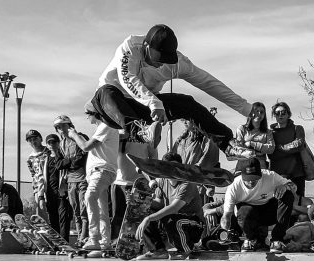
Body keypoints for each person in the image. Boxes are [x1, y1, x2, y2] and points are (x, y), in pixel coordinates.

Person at [90, 23, 253, 160]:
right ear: (146, 47)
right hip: (109, 106)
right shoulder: (131, 47)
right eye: (157, 60)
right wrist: (154, 103)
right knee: (107, 91)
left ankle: (228, 146)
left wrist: (245, 108)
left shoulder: (178, 64)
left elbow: (208, 83)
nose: (161, 65)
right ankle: (140, 131)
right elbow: (127, 78)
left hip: (145, 109)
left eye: (165, 61)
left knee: (187, 103)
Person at [68, 101, 119, 250]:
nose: (86, 118)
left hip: (102, 171)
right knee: (101, 208)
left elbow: (85, 147)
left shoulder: (106, 126)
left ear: (94, 114)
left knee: (89, 197)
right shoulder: (103, 128)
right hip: (98, 172)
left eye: (87, 115)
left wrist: (74, 135)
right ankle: (104, 241)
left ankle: (94, 238)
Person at [135, 152, 203, 260]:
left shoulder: (187, 183)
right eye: (167, 167)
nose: (171, 170)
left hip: (195, 225)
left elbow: (174, 208)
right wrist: (142, 202)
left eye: (174, 167)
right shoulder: (162, 180)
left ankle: (185, 250)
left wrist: (148, 218)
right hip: (173, 223)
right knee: (146, 210)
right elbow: (158, 203)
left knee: (169, 218)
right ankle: (158, 250)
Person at [220, 157, 297, 253]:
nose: (251, 182)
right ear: (242, 175)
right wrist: (225, 228)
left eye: (255, 178)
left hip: (269, 212)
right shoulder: (234, 186)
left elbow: (294, 187)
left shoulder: (270, 176)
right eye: (248, 179)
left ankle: (277, 240)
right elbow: (226, 215)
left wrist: (285, 186)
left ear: (260, 174)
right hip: (249, 216)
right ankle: (251, 239)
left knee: (288, 195)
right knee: (244, 211)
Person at [111, 136, 158, 243]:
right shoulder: (118, 134)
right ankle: (116, 242)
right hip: (119, 182)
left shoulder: (146, 136)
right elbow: (109, 152)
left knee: (138, 216)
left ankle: (141, 243)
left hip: (140, 183)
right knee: (118, 216)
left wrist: (152, 181)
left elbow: (154, 158)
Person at [53, 115, 89, 247]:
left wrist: (67, 163)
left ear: (70, 125)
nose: (61, 129)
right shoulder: (61, 144)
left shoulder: (80, 137)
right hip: (70, 181)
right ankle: (80, 239)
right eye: (58, 127)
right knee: (76, 212)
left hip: (84, 179)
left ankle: (84, 238)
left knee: (84, 211)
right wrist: (70, 163)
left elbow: (82, 158)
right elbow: (58, 164)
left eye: (63, 125)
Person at [172, 119, 219, 204]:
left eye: (187, 120)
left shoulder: (207, 138)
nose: (184, 122)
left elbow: (209, 159)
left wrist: (191, 171)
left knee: (196, 214)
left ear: (195, 120)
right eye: (183, 120)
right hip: (180, 184)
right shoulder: (181, 138)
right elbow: (173, 157)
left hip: (198, 185)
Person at [268, 101, 307, 201]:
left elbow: (299, 144)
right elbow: (271, 154)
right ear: (274, 115)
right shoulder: (270, 133)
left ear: (288, 114)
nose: (280, 115)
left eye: (283, 112)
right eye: (277, 113)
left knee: (298, 203)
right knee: (277, 204)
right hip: (277, 176)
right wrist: (289, 149)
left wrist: (278, 148)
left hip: (296, 174)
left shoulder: (297, 129)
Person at [43, 134, 73, 242]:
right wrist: (42, 195)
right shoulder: (45, 159)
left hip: (62, 193)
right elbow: (42, 178)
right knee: (53, 219)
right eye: (49, 143)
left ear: (58, 143)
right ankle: (56, 243)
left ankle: (64, 242)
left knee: (64, 218)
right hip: (49, 193)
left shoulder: (63, 156)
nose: (52, 145)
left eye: (54, 142)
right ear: (46, 145)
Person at [234, 102, 275, 172]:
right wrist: (260, 150)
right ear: (250, 113)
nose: (259, 114)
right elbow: (238, 148)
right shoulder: (242, 129)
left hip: (260, 167)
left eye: (261, 112)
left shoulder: (268, 132)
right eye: (256, 111)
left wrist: (252, 144)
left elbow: (271, 148)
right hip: (243, 165)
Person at [26, 129, 50, 220]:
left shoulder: (48, 151)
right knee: (41, 209)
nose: (33, 142)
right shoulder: (30, 158)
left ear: (40, 138)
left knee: (51, 208)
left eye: (35, 139)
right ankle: (45, 229)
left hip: (50, 185)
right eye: (30, 140)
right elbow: (33, 174)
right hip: (38, 188)